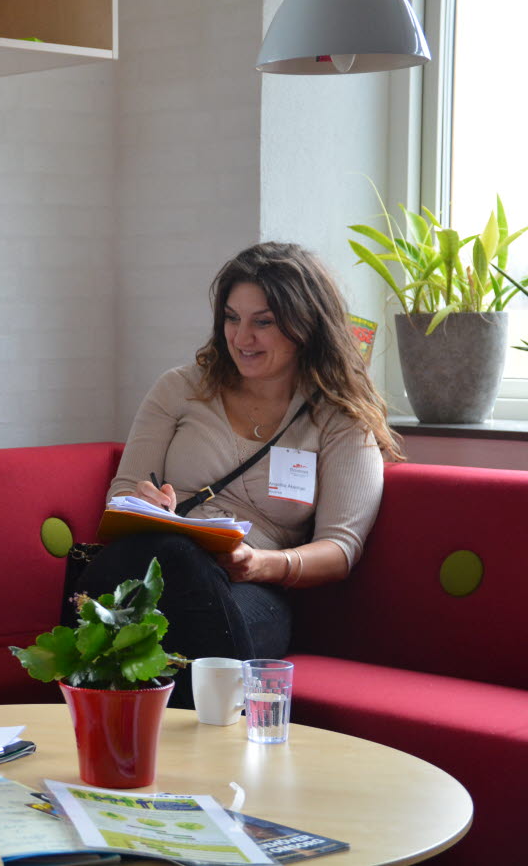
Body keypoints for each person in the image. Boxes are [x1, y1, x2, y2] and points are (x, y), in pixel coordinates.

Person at [81, 242, 402, 707]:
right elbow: (123, 493)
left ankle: (120, 743)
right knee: (172, 555)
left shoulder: (339, 418)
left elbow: (341, 549)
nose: (241, 337)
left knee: (163, 620)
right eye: (232, 318)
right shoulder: (180, 388)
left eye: (263, 322)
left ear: (306, 324)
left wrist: (262, 564)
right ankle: (220, 750)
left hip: (249, 590)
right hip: (145, 569)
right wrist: (144, 504)